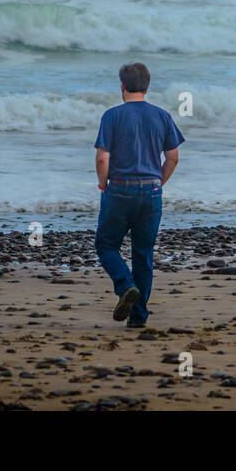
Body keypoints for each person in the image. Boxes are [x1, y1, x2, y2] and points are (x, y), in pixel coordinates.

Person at [93, 62, 185, 326]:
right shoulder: (162, 116)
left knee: (106, 245)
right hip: (151, 191)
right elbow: (173, 158)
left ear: (122, 86)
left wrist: (103, 185)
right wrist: (159, 183)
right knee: (143, 254)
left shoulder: (112, 116)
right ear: (147, 86)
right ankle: (138, 317)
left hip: (120, 189)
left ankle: (124, 286)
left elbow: (102, 158)